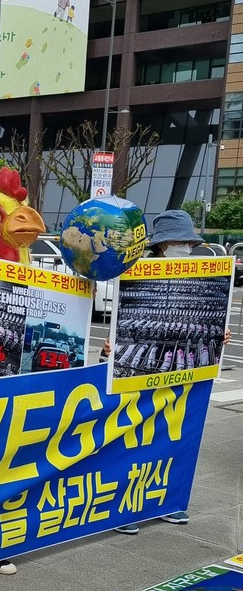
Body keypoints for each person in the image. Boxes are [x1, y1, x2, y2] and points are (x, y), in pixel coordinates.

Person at [99, 208, 230, 535]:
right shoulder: (138, 272)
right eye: (179, 241)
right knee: (133, 439)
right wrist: (111, 349)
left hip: (182, 373)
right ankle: (125, 506)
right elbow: (121, 323)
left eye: (189, 242)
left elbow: (203, 322)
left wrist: (218, 334)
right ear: (161, 245)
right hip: (140, 374)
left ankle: (167, 502)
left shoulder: (200, 276)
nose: (186, 247)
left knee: (174, 437)